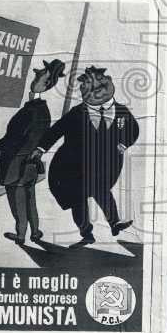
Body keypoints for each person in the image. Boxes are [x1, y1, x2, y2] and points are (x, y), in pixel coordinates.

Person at [33, 65, 139, 246]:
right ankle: (86, 233)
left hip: (104, 165)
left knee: (102, 192)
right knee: (78, 199)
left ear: (109, 83)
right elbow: (56, 131)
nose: (97, 91)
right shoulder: (77, 112)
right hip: (74, 167)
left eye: (100, 85)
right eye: (89, 87)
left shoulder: (121, 112)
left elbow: (133, 129)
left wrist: (123, 143)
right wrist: (41, 149)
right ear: (83, 91)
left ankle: (114, 223)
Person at [0, 59, 66, 245]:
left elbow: (18, 137)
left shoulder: (32, 110)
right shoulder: (41, 109)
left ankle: (21, 235)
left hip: (16, 163)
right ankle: (35, 232)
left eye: (38, 78)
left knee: (17, 201)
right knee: (30, 199)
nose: (34, 80)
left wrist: (0, 147)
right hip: (30, 164)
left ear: (46, 83)